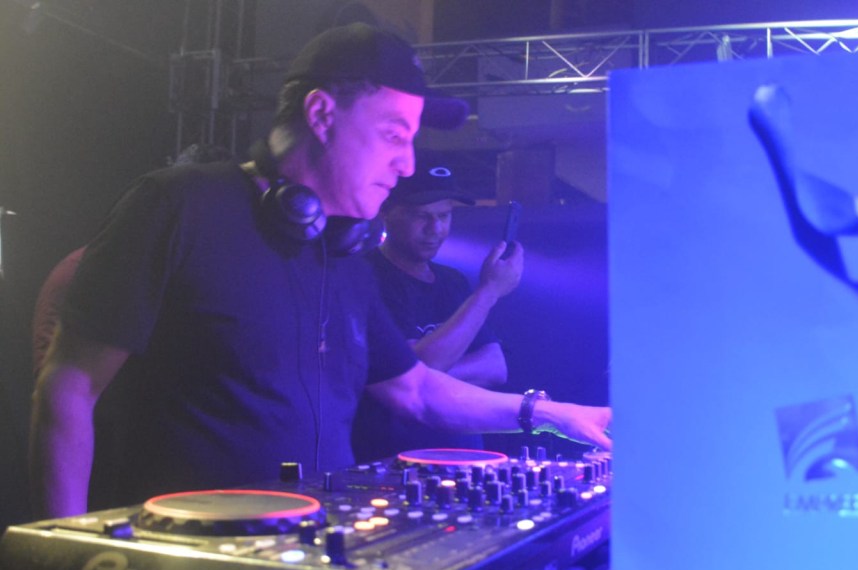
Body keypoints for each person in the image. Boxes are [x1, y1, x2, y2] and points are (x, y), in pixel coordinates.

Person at [29, 23, 611, 519]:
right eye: (393, 134)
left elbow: (415, 389)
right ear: (321, 113)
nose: (405, 163)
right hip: (185, 562)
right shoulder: (180, 206)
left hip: (310, 552)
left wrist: (549, 415)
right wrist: (64, 559)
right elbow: (68, 389)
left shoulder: (344, 256)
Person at [352, 158, 523, 460]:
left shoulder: (452, 281)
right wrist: (488, 292)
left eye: (444, 215)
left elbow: (496, 367)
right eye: (421, 216)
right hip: (394, 460)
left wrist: (416, 379)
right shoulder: (365, 277)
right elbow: (425, 364)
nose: (435, 229)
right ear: (386, 211)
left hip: (463, 457)